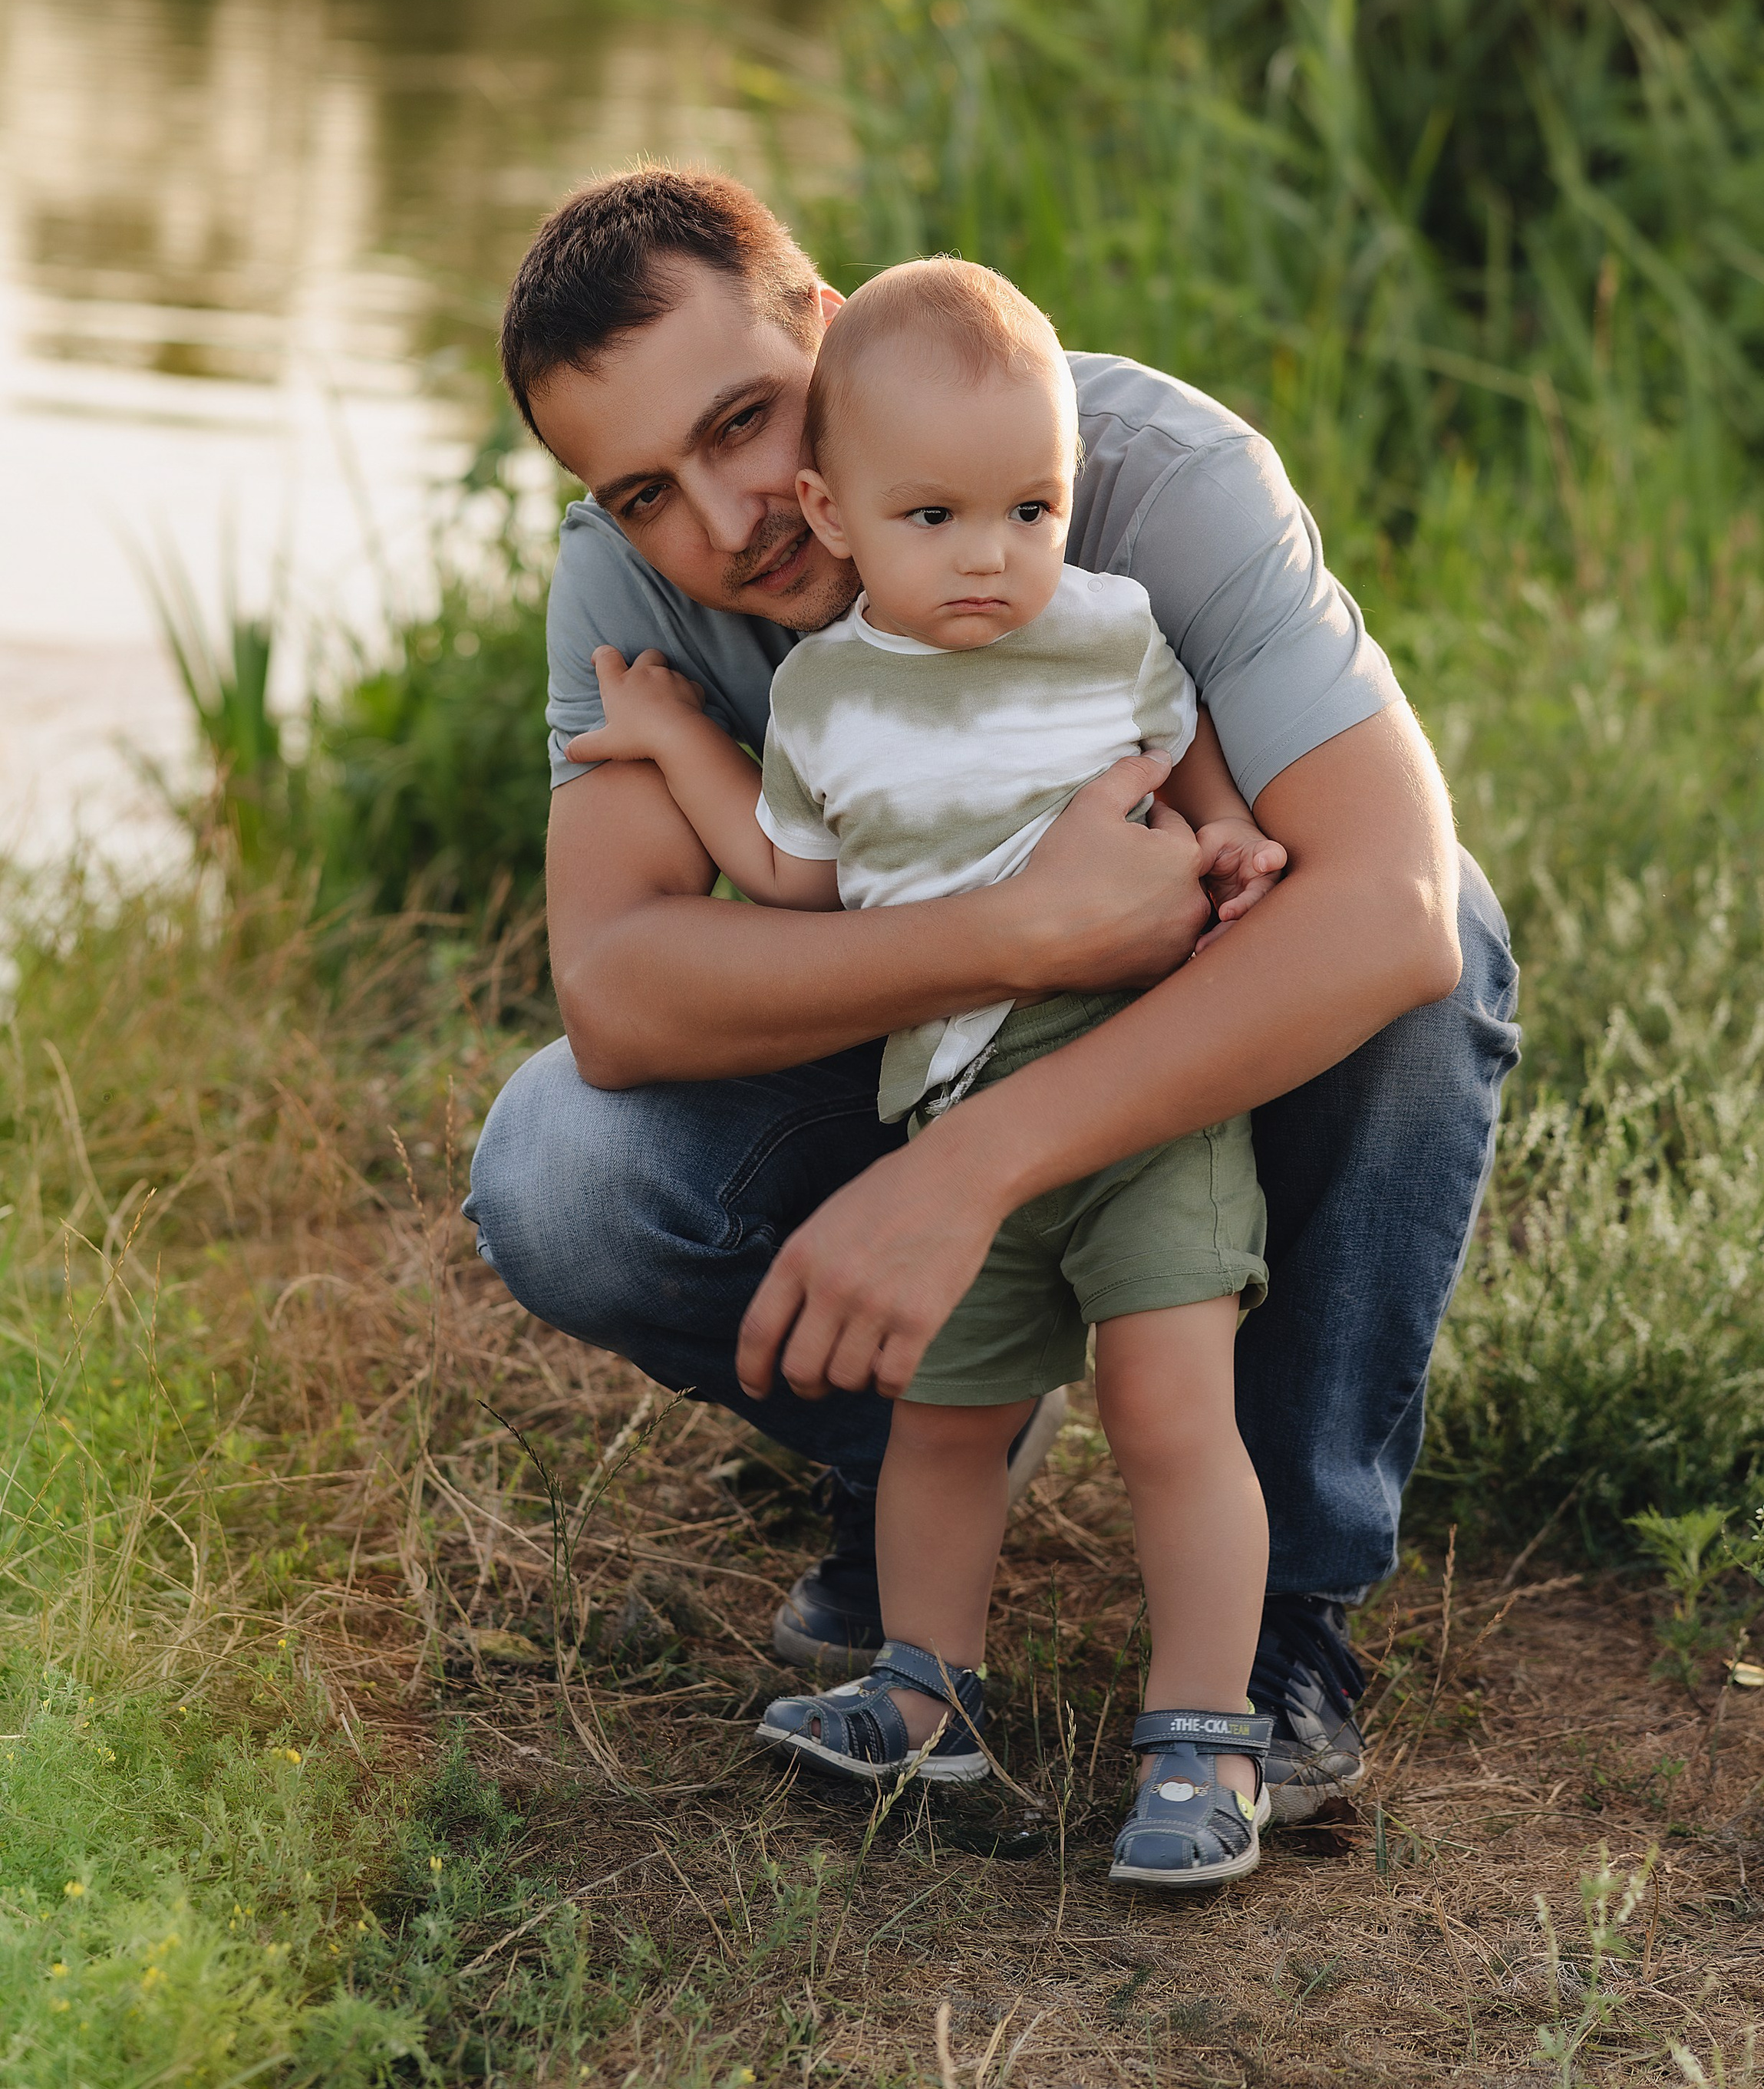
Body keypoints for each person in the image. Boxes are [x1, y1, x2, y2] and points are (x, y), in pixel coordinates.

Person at [464, 164, 1522, 1823]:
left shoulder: (1144, 472)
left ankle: (1286, 1621)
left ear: (822, 317)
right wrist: (1018, 934)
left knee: (1429, 950)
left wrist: (967, 1171)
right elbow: (619, 992)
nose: (726, 515)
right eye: (648, 487)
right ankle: (921, 1463)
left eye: (747, 418)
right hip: (918, 1044)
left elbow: (1388, 911)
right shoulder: (625, 582)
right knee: (558, 1164)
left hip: (1171, 1020)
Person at [566, 256, 1288, 1883]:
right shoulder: (824, 692)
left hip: (1136, 1085)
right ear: (832, 512)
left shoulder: (1103, 624)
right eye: (936, 520)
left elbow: (1186, 747)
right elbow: (793, 879)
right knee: (946, 1417)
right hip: (947, 1091)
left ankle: (1204, 1730)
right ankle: (923, 1688)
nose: (991, 559)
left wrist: (1233, 830)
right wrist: (680, 740)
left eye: (1029, 509)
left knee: (1166, 1404)